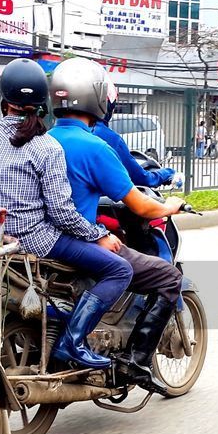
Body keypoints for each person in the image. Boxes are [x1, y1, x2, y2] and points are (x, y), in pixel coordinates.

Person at [0, 58, 131, 369]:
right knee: (120, 270)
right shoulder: (46, 147)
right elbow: (62, 213)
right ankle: (73, 342)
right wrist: (99, 235)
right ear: (43, 103)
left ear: (3, 101)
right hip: (36, 241)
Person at [47, 57, 187, 389]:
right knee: (168, 277)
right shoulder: (95, 146)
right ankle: (135, 363)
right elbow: (140, 205)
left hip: (42, 238)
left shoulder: (42, 141)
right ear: (97, 98)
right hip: (80, 241)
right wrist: (170, 206)